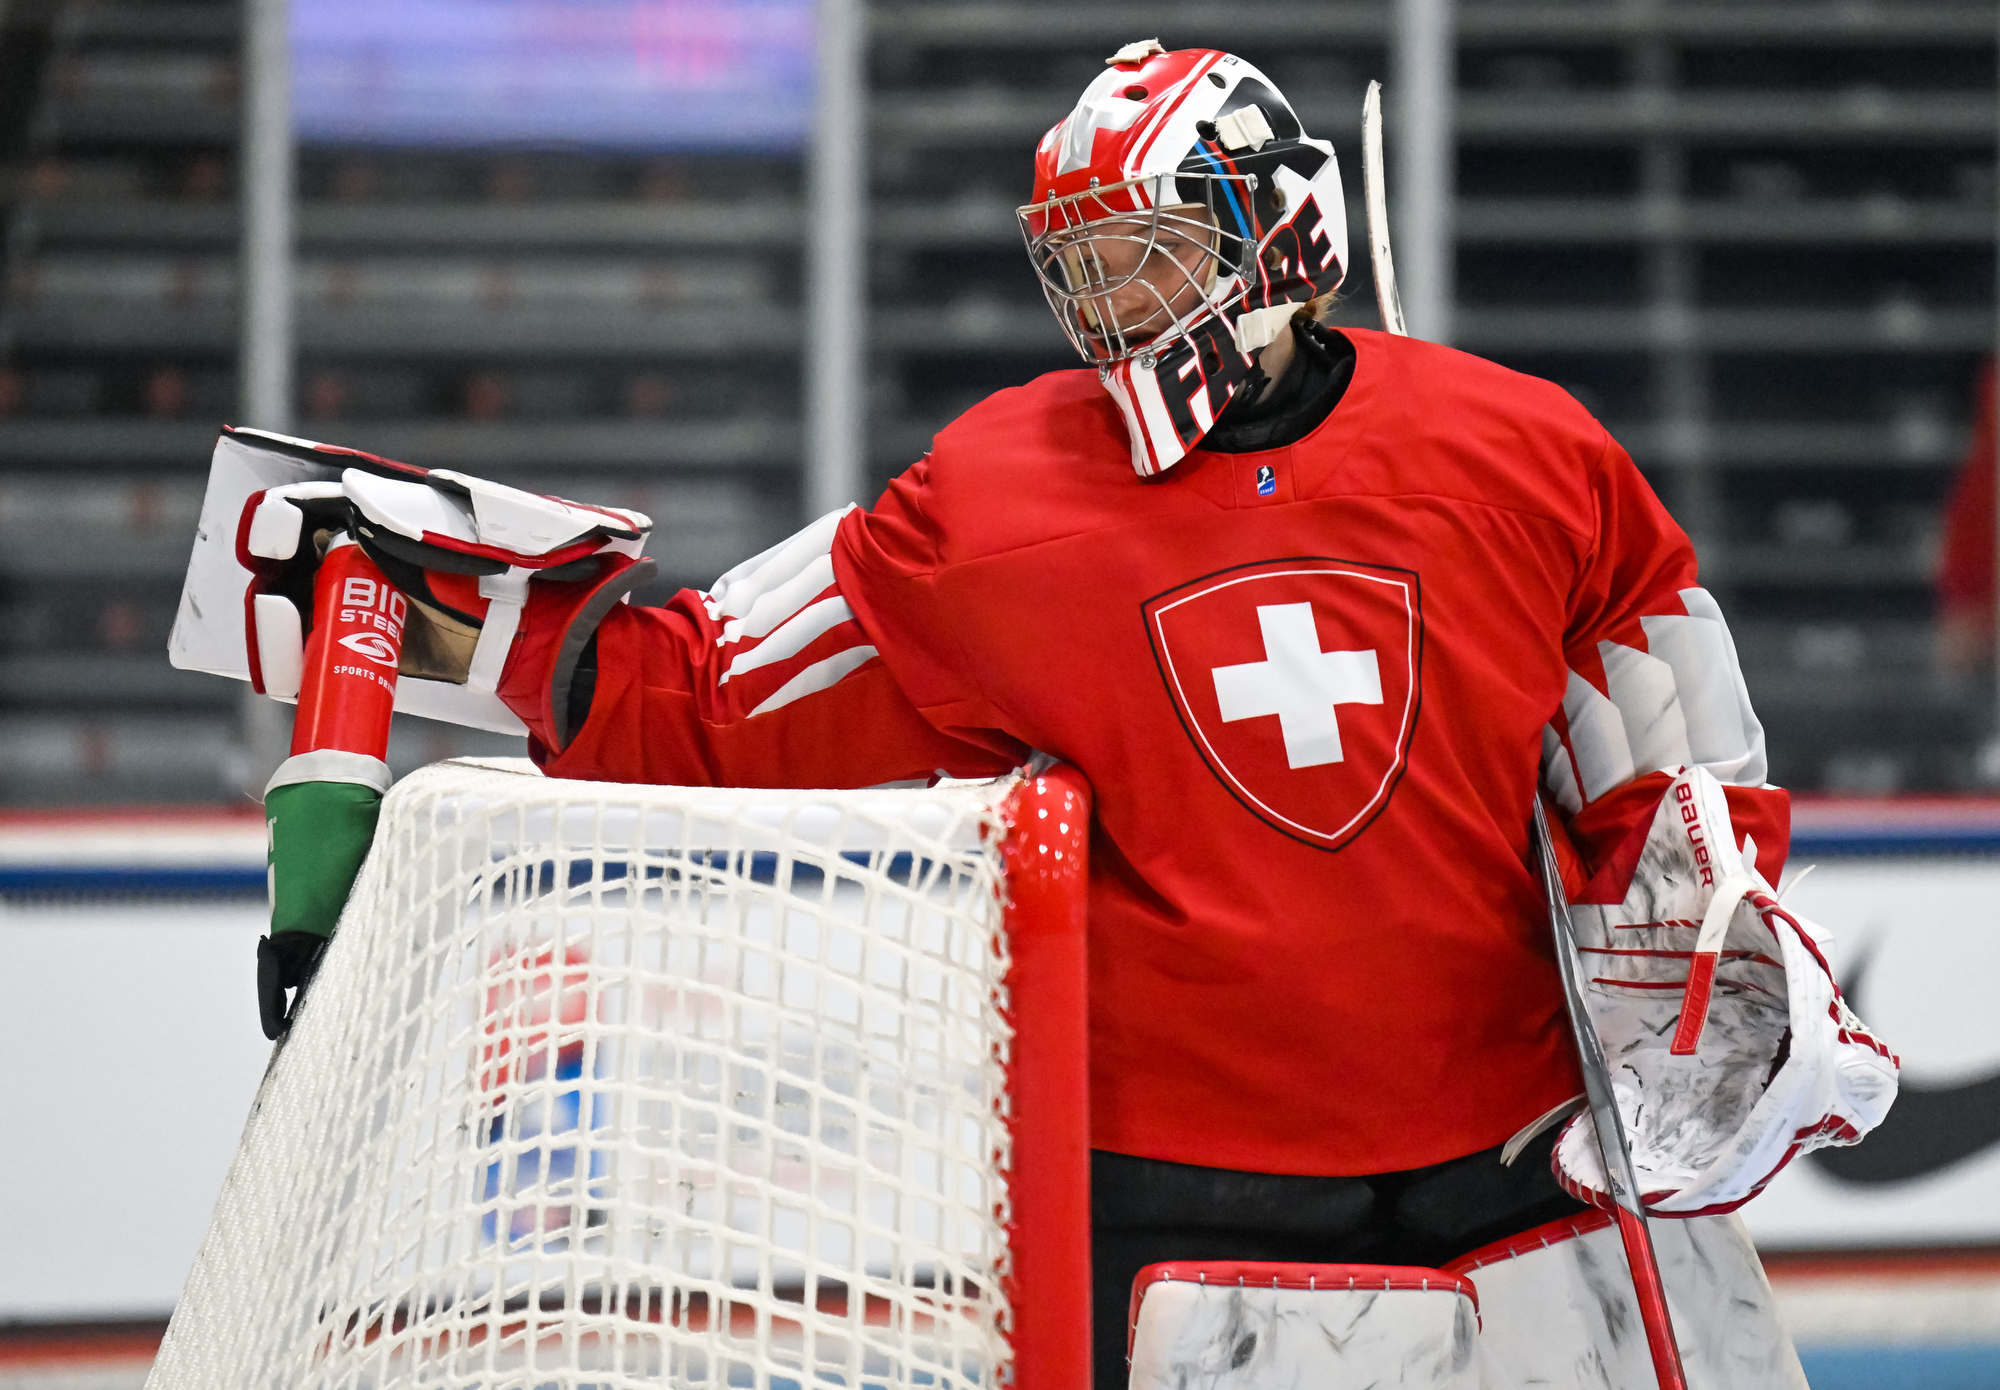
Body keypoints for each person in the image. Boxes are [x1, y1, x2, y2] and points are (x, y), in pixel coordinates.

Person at [249, 42, 1892, 1387]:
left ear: (1273, 236)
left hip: (1515, 1166)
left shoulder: (1521, 452)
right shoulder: (995, 499)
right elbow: (709, 690)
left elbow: (1657, 684)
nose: (1109, 305)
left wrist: (1704, 903)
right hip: (1180, 1202)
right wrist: (458, 620)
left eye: (1147, 254)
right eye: (1080, 266)